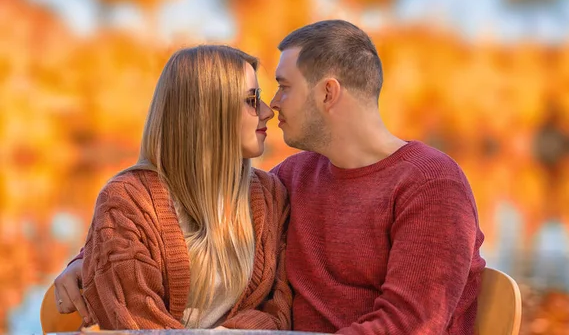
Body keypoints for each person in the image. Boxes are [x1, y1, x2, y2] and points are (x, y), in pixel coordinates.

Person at [55, 20, 485, 334]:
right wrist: (85, 261)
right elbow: (158, 212)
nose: (272, 105)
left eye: (282, 87)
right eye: (258, 96)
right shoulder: (291, 180)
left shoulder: (431, 184)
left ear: (328, 94)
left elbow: (410, 326)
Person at [53, 45, 291, 330]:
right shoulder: (128, 201)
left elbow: (279, 307)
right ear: (207, 110)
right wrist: (87, 258)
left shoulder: (269, 195)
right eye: (252, 100)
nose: (267, 112)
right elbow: (136, 322)